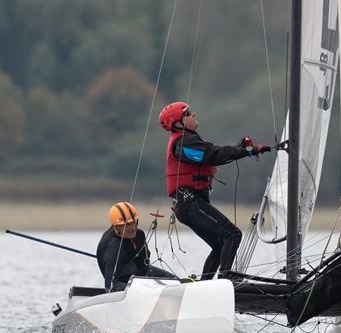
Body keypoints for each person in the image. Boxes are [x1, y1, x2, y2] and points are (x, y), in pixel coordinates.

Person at [159, 101, 270, 280]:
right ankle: (226, 281)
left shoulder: (189, 141)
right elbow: (214, 155)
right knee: (232, 234)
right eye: (188, 113)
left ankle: (206, 285)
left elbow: (213, 155)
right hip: (189, 203)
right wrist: (249, 150)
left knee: (221, 244)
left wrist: (241, 149)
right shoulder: (182, 143)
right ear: (178, 123)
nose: (193, 114)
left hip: (190, 204)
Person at [96, 201, 177, 292]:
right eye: (127, 225)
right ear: (116, 227)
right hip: (124, 286)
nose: (132, 228)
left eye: (134, 222)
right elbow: (109, 287)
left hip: (144, 275)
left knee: (177, 281)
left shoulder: (139, 234)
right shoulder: (113, 247)